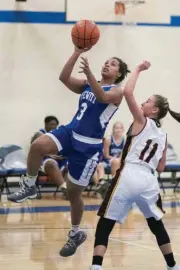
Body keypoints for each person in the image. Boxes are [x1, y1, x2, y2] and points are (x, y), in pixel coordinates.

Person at [8, 46, 129, 257]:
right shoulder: (87, 85)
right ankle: (29, 185)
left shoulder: (117, 91)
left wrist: (90, 74)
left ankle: (75, 234)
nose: (107, 64)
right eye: (106, 61)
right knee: (37, 146)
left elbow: (101, 97)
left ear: (118, 73)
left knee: (74, 193)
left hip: (89, 146)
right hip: (70, 132)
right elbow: (64, 77)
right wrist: (76, 51)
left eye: (113, 63)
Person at [90, 61, 180, 270]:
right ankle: (173, 266)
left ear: (154, 110)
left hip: (129, 174)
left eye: (147, 101)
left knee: (106, 222)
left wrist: (138, 69)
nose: (143, 102)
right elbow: (161, 168)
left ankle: (96, 266)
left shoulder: (141, 120)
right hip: (149, 181)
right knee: (156, 224)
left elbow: (128, 92)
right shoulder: (164, 136)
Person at [31, 116, 68, 198]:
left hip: (58, 160)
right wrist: (50, 155)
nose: (53, 127)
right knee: (51, 163)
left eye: (55, 125)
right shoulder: (40, 134)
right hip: (42, 161)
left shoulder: (58, 135)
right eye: (51, 124)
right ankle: (64, 188)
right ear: (46, 124)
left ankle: (70, 190)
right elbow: (34, 150)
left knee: (70, 165)